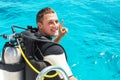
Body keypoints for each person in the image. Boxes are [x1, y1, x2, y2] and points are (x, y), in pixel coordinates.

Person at [35, 7, 77, 80]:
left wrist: (60, 36)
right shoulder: (55, 51)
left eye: (56, 21)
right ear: (40, 25)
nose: (56, 26)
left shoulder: (34, 38)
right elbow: (70, 78)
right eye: (50, 22)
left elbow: (47, 49)